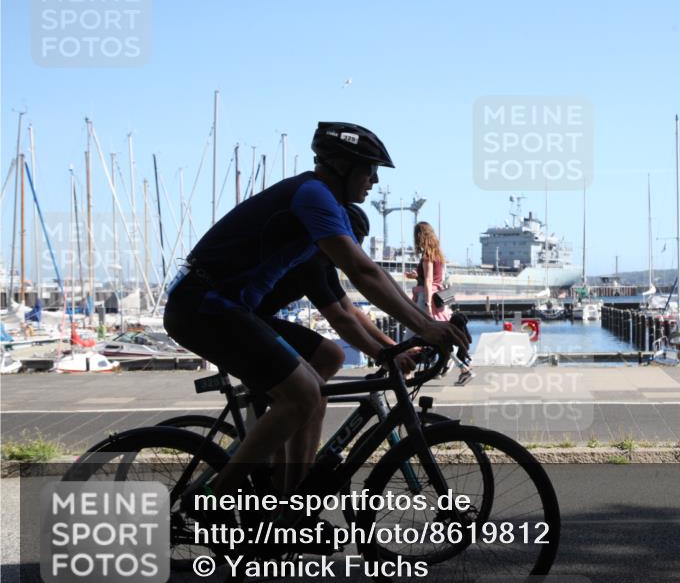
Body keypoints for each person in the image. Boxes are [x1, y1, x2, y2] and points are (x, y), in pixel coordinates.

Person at [163, 122, 468, 515]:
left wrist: (389, 348)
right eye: (368, 170)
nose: (373, 181)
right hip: (205, 306)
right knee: (304, 393)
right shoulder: (312, 195)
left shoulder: (317, 206)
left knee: (324, 366)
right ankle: (214, 504)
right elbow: (363, 276)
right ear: (341, 166)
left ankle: (289, 503)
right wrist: (424, 327)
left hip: (230, 309)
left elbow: (351, 303)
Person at [253, 203, 417, 495]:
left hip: (258, 321)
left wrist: (394, 346)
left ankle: (290, 485)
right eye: (353, 243)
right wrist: (384, 355)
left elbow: (351, 310)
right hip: (243, 322)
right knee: (326, 366)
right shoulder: (311, 260)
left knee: (311, 394)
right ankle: (294, 491)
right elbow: (339, 319)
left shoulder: (323, 260)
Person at [405, 221, 474, 385]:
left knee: (408, 337)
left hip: (426, 300)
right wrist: (417, 276)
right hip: (439, 299)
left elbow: (429, 282)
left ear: (419, 236)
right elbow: (437, 279)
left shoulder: (427, 255)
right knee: (440, 340)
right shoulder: (438, 256)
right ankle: (465, 369)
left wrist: (427, 305)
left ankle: (404, 375)